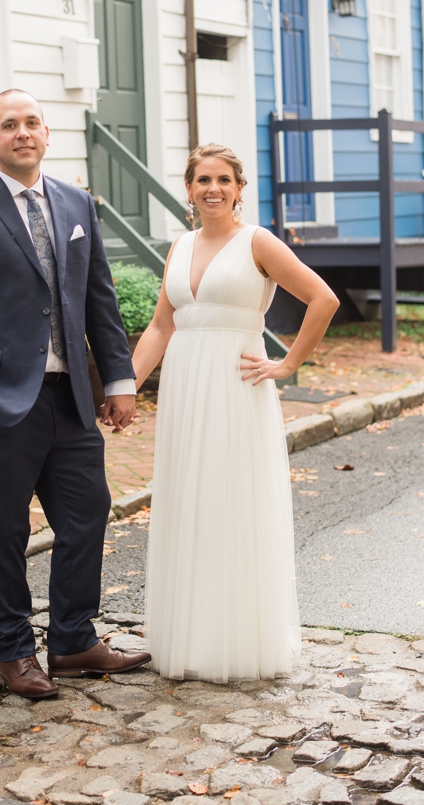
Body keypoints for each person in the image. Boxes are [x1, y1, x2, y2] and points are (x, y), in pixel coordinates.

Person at [0, 89, 149, 699]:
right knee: (4, 534)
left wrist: (118, 381)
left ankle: (72, 640)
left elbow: (99, 298)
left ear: (48, 135)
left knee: (86, 515)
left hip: (70, 399)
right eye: (9, 125)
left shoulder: (76, 204)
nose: (23, 132)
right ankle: (14, 654)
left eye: (33, 123)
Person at [130, 144, 338, 681]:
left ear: (240, 188)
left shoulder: (258, 242)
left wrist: (288, 362)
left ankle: (238, 641)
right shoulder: (179, 246)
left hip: (235, 386)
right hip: (183, 387)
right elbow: (161, 326)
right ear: (190, 188)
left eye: (224, 179)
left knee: (230, 502)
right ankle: (192, 638)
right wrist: (126, 386)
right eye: (202, 179)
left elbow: (323, 299)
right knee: (188, 499)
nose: (213, 188)